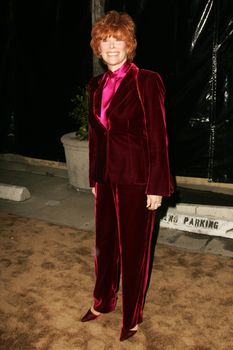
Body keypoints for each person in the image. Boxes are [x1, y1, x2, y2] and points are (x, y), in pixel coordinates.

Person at [81, 10, 174, 341]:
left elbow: (159, 137)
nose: (111, 47)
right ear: (98, 46)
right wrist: (94, 178)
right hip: (106, 178)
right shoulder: (95, 85)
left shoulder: (147, 81)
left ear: (129, 44)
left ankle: (132, 316)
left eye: (118, 40)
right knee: (104, 245)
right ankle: (103, 301)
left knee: (134, 250)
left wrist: (157, 186)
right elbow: (96, 138)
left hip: (137, 179)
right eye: (105, 40)